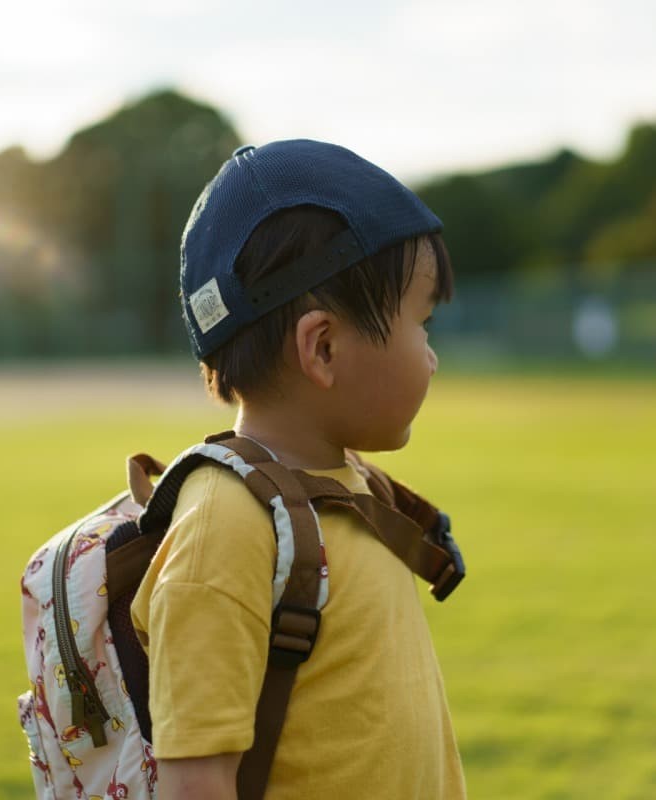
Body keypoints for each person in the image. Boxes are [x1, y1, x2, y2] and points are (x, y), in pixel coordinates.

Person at [130, 139, 464, 800]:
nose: (430, 357)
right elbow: (196, 783)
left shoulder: (355, 486)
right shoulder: (226, 528)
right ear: (324, 346)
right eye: (420, 323)